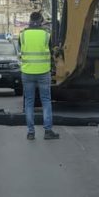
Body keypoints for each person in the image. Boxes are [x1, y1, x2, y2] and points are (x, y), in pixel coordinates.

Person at [19, 11, 60, 140]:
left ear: (30, 21)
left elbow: (21, 50)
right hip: (43, 72)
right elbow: (52, 51)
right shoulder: (46, 34)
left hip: (27, 72)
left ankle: (31, 132)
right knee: (46, 101)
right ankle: (48, 131)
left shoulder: (22, 35)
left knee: (29, 102)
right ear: (41, 21)